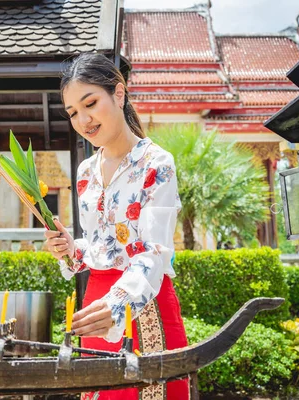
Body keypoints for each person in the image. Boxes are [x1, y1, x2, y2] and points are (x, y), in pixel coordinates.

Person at [45, 53, 189, 400]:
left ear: (119, 94)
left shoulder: (156, 164)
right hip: (95, 307)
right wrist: (70, 249)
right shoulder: (85, 174)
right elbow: (100, 249)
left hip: (144, 305)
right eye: (73, 113)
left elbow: (154, 252)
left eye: (90, 103)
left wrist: (118, 305)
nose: (82, 119)